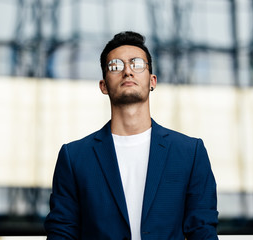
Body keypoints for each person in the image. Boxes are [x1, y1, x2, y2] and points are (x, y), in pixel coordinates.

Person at [44, 31, 218, 240]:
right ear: (103, 86)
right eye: (115, 66)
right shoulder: (74, 157)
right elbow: (62, 232)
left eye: (136, 64)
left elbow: (202, 230)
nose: (127, 71)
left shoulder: (189, 153)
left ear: (152, 81)